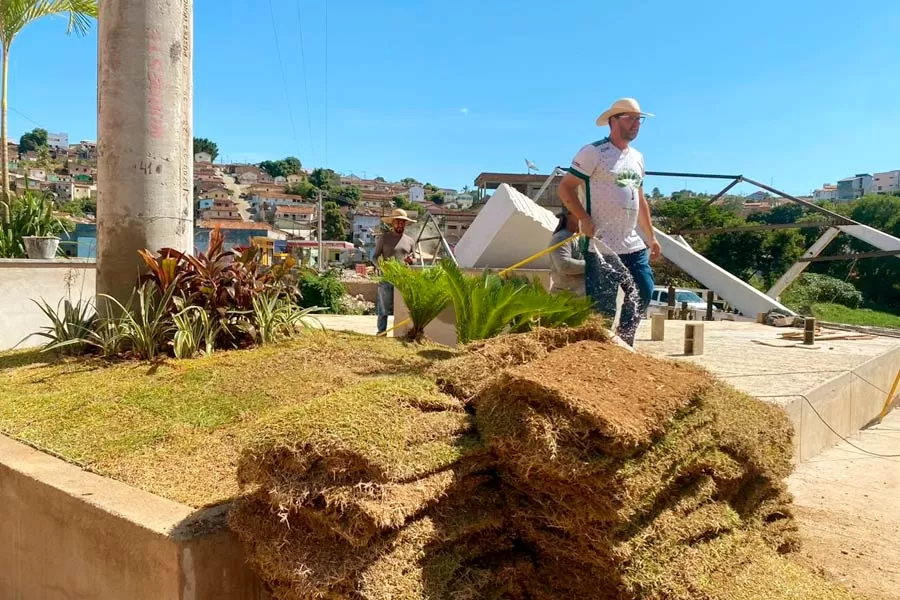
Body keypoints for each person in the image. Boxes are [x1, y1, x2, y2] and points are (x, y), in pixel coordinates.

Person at [557, 97, 660, 346]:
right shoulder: (593, 152)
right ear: (613, 121)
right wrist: (583, 218)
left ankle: (625, 343)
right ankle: (600, 354)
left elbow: (640, 199)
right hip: (602, 246)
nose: (636, 124)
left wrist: (651, 236)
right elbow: (566, 188)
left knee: (644, 291)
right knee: (601, 309)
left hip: (632, 244)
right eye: (630, 118)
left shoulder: (638, 157)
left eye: (639, 119)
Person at [372, 208, 417, 334]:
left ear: (405, 224)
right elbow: (374, 256)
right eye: (397, 222)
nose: (400, 224)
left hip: (403, 279)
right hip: (387, 278)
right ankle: (381, 332)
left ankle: (402, 333)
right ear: (392, 223)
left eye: (402, 222)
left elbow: (415, 259)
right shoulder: (384, 238)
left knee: (403, 308)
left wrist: (411, 261)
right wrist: (381, 267)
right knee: (383, 308)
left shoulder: (410, 241)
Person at [548, 206, 585, 295]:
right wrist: (592, 265)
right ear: (569, 213)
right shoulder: (561, 238)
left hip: (581, 298)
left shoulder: (579, 237)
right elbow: (564, 265)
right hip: (565, 299)